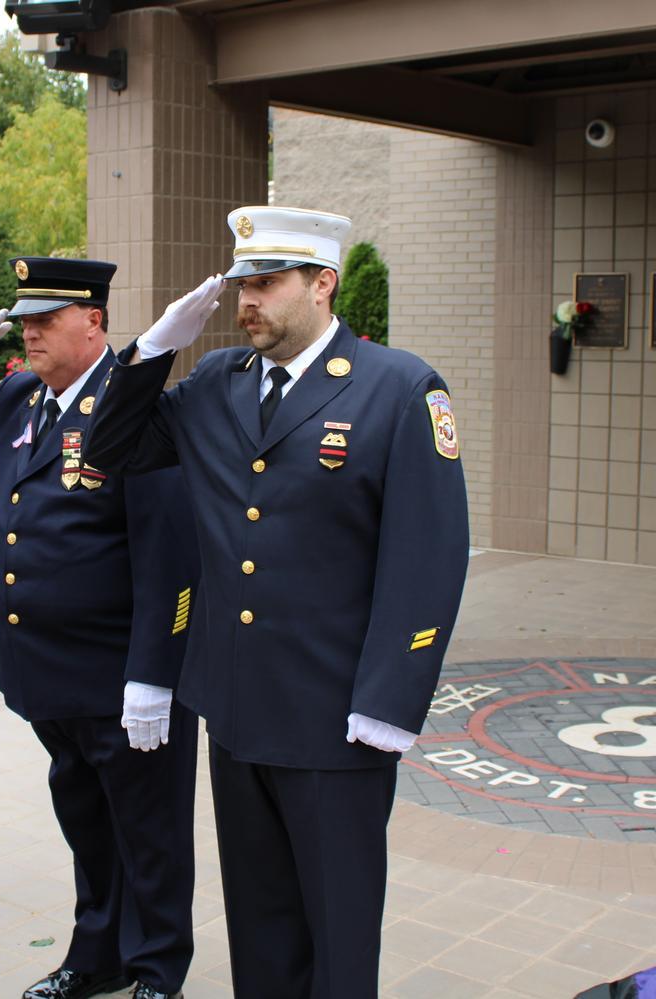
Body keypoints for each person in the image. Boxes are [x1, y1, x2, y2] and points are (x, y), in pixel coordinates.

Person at [83, 206, 471, 999]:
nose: (246, 301)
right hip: (235, 711)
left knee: (337, 931)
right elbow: (109, 448)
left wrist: (389, 703)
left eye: (266, 283)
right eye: (240, 285)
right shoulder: (216, 383)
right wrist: (154, 347)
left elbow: (429, 559)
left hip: (336, 721)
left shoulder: (398, 388)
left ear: (323, 284)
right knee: (260, 927)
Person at [0, 257, 199, 999]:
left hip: (119, 675)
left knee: (149, 831)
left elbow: (169, 554)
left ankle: (157, 969)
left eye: (46, 319)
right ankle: (97, 951)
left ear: (94, 322)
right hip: (47, 673)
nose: (30, 332)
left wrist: (154, 673)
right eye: (24, 319)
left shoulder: (128, 402)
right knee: (88, 822)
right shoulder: (17, 396)